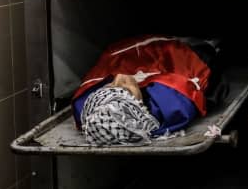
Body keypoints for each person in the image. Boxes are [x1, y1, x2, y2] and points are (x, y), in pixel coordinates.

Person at [72, 35, 216, 145]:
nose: (120, 78)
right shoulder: (173, 102)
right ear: (141, 109)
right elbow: (192, 75)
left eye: (110, 89)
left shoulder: (87, 106)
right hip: (176, 51)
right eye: (125, 92)